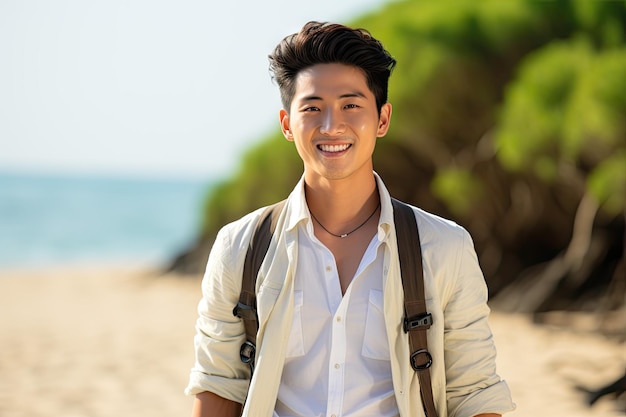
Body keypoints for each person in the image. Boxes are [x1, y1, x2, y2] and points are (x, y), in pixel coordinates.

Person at [186, 21, 515, 417]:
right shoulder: (240, 247)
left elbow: (475, 394)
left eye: (350, 105)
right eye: (312, 108)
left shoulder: (444, 247)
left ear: (382, 119)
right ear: (287, 124)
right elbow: (217, 384)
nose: (331, 125)